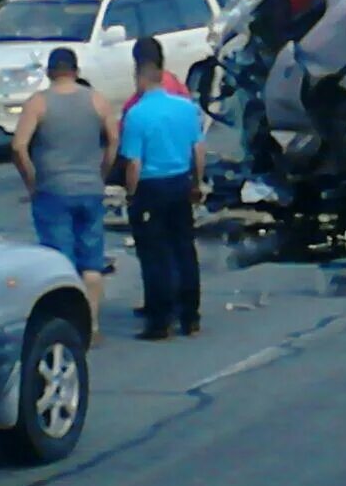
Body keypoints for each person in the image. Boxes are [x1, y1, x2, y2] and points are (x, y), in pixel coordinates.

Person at [11, 49, 119, 344]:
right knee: (92, 261)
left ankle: (69, 325)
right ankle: (93, 324)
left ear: (49, 72)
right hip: (90, 188)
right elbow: (113, 140)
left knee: (61, 262)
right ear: (76, 69)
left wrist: (32, 180)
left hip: (53, 189)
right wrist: (102, 172)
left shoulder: (38, 103)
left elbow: (19, 146)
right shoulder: (96, 100)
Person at [121, 49, 206, 341]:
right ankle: (190, 316)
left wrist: (131, 195)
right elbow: (198, 150)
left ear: (139, 79)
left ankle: (160, 320)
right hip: (180, 182)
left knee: (155, 255)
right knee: (184, 249)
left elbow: (133, 162)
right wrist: (197, 182)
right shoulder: (185, 108)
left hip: (151, 187)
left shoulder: (136, 114)